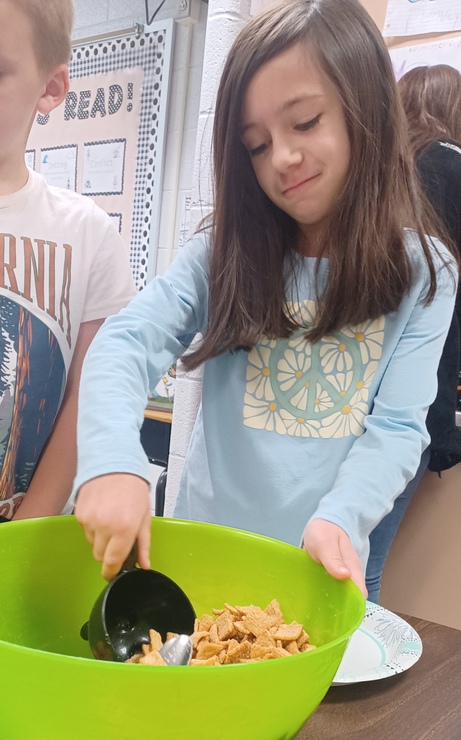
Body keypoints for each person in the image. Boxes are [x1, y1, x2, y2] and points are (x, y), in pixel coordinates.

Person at [74, 0, 458, 596]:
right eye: (256, 145)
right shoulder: (220, 256)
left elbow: (399, 429)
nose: (282, 157)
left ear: (371, 112)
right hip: (202, 562)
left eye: (304, 123)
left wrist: (343, 515)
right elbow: (125, 342)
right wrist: (111, 458)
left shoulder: (425, 272)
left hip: (315, 574)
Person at [0, 0, 136, 523]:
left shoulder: (88, 233)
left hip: (29, 540)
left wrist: (27, 528)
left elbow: (88, 392)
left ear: (50, 89)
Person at [366, 63, 461, 603]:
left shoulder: (376, 171)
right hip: (416, 388)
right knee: (363, 565)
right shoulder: (455, 168)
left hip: (349, 384)